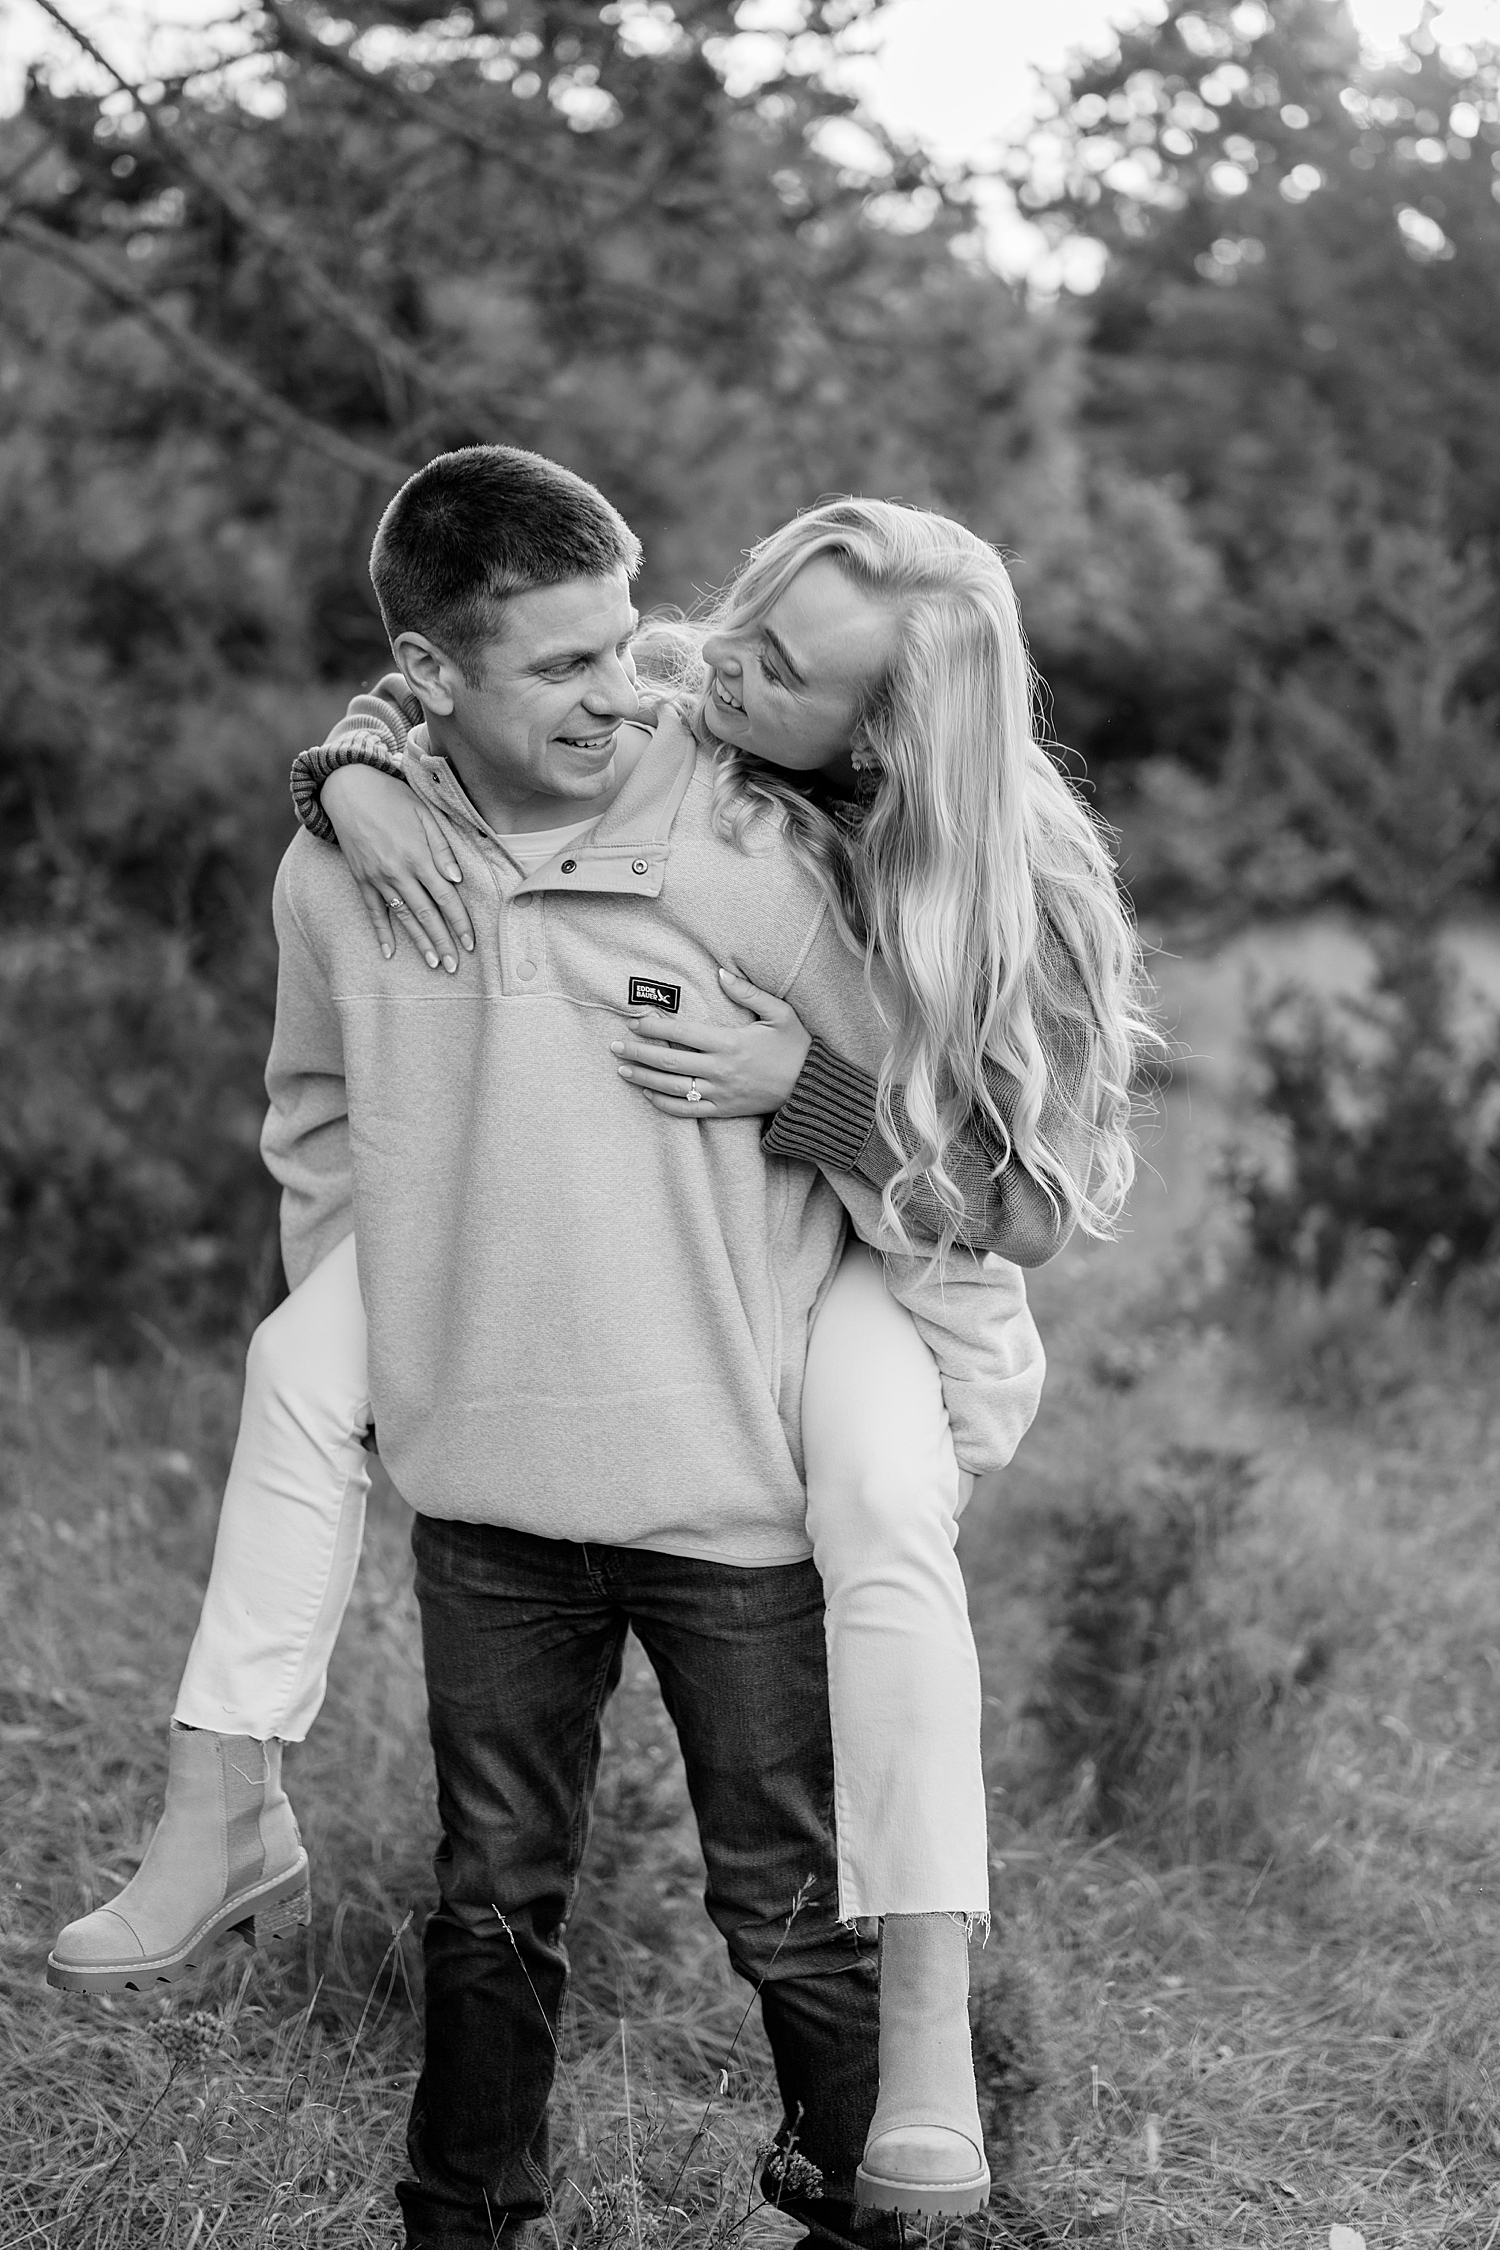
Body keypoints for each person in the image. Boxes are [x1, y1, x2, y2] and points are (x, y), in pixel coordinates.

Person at [49, 453, 1152, 2235]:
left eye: (773, 668)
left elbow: (1018, 1207)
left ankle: (918, 2057)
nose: (688, 677)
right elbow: (464, 702)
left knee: (878, 1537)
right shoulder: (660, 715)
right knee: (298, 1371)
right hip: (543, 1319)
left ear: (888, 730)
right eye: (736, 630)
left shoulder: (906, 866)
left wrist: (803, 1088)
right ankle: (223, 1803)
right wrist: (349, 775)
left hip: (894, 1274)